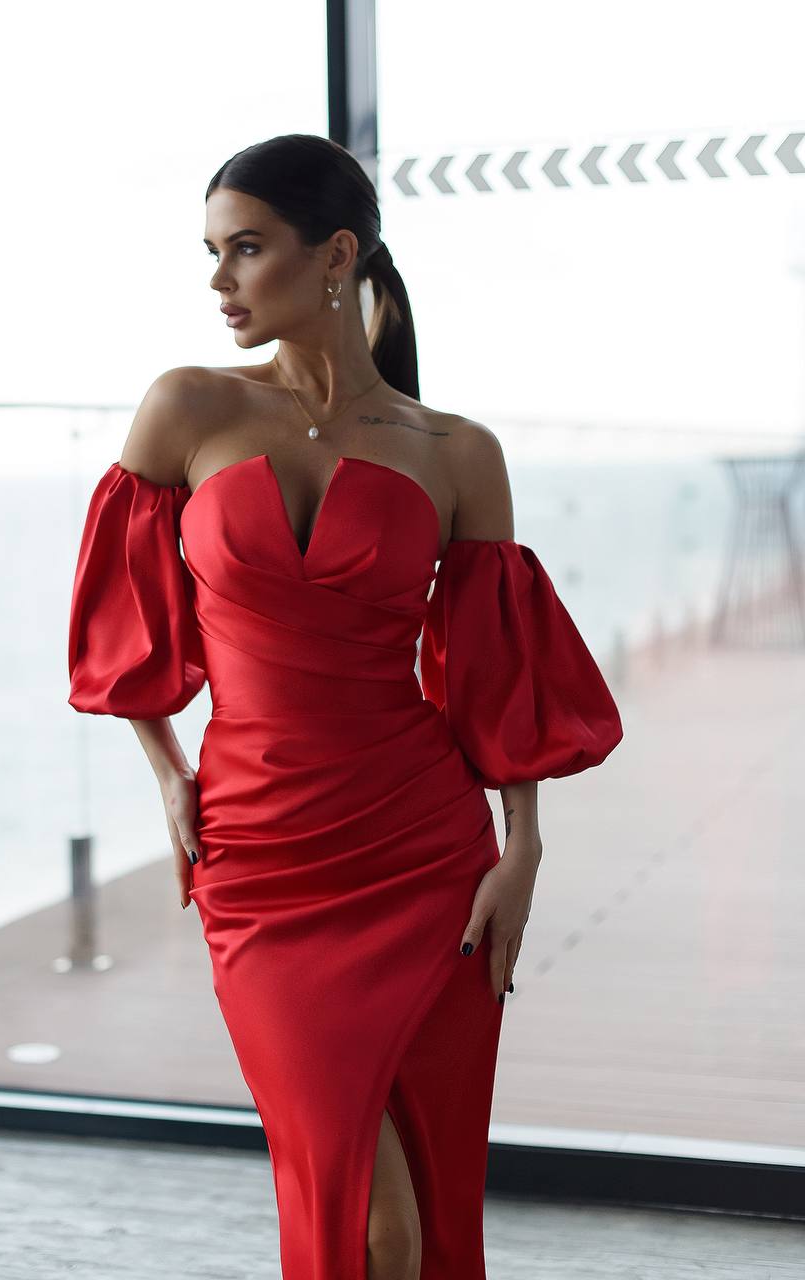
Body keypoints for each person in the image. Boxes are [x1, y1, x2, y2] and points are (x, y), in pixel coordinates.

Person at [67, 133, 623, 1280]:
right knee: (369, 1220)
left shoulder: (456, 451)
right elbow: (128, 626)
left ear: (334, 255)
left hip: (424, 859)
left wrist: (522, 845)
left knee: (423, 1210)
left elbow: (492, 672)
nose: (220, 282)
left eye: (246, 250)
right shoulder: (185, 407)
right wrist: (170, 772)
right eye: (212, 254)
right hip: (262, 860)